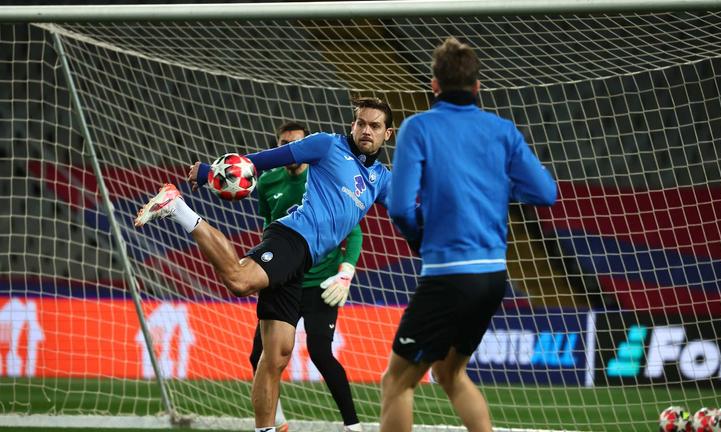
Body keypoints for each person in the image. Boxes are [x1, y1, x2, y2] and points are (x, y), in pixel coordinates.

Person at [134, 97, 394, 432]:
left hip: (304, 263)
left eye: (374, 126)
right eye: (360, 123)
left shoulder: (381, 178)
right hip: (292, 238)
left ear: (387, 134)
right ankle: (179, 209)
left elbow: (408, 211)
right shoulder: (327, 145)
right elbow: (262, 161)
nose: (365, 130)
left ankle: (266, 429)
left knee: (277, 356)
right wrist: (210, 172)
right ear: (352, 124)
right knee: (241, 281)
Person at [382, 37, 557, 432]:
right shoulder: (502, 129)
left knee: (396, 382)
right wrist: (496, 187)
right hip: (493, 277)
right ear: (478, 86)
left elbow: (398, 207)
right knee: (450, 373)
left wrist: (418, 239)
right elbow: (545, 193)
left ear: (434, 85)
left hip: (447, 275)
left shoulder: (418, 127)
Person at [250, 120, 363, 432]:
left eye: (297, 143)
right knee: (258, 355)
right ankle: (278, 422)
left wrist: (346, 271)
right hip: (285, 280)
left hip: (319, 284)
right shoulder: (268, 182)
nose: (292, 149)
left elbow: (353, 231)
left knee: (320, 352)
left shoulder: (324, 177)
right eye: (286, 143)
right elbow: (269, 226)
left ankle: (353, 426)